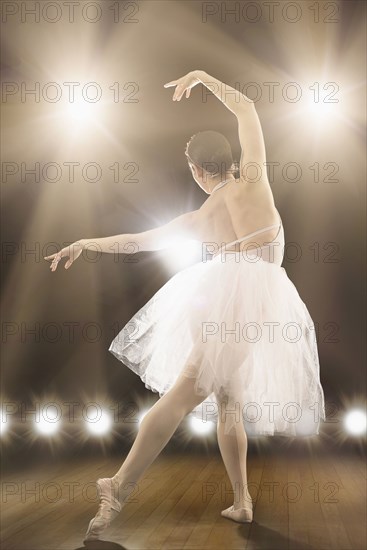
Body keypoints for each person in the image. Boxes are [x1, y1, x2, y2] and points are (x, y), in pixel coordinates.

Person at [44, 70, 326, 541]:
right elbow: (248, 108)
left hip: (215, 300)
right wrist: (203, 78)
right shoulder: (255, 180)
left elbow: (135, 242)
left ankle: (241, 501)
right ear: (230, 161)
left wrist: (85, 241)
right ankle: (119, 487)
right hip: (243, 305)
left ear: (197, 171)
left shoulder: (200, 217)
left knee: (227, 400)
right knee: (187, 394)